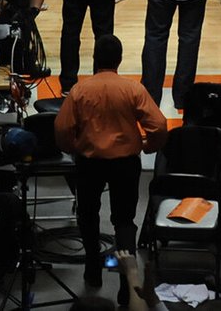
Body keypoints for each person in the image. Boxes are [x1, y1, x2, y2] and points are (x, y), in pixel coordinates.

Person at [53, 34, 167, 286]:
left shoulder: (80, 90)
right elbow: (158, 126)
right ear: (120, 59)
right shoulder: (133, 89)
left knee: (88, 214)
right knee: (124, 220)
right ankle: (127, 282)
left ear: (95, 59)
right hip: (125, 164)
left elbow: (61, 130)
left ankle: (92, 270)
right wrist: (148, 146)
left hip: (89, 162)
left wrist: (74, 148)